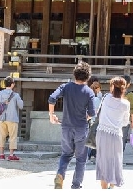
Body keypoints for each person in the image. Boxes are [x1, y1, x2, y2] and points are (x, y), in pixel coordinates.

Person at [49, 61, 96, 190]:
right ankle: (76, 185)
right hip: (81, 128)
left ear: (74, 75)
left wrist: (51, 115)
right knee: (81, 158)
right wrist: (86, 117)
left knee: (66, 154)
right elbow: (92, 112)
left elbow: (52, 98)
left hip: (66, 127)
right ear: (88, 77)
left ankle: (60, 175)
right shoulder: (89, 92)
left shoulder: (65, 87)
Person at [95, 76, 131, 189]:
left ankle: (104, 188)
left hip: (102, 132)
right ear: (123, 89)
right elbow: (125, 122)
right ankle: (112, 185)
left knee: (103, 160)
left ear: (111, 87)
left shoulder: (106, 98)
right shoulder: (125, 104)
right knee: (115, 161)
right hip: (116, 134)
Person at [0, 75, 24, 161]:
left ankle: (1, 154)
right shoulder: (15, 95)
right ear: (12, 84)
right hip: (12, 118)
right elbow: (21, 106)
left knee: (2, 136)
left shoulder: (0, 94)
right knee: (12, 136)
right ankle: (11, 154)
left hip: (2, 118)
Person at [87, 77, 103, 164]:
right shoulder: (97, 99)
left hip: (91, 120)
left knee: (93, 138)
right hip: (95, 120)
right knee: (94, 139)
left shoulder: (91, 97)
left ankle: (91, 155)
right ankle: (91, 155)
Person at [121, 75, 133, 152]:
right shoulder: (130, 94)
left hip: (114, 119)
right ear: (128, 84)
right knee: (122, 139)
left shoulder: (114, 93)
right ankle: (119, 158)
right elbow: (132, 109)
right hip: (125, 120)